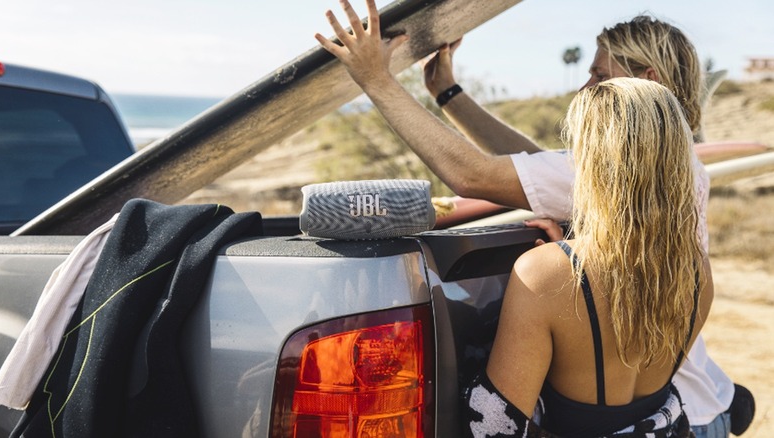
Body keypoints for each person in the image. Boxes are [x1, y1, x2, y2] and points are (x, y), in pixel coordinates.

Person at [315, 1, 742, 435]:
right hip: (685, 413)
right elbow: (543, 169)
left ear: (646, 79)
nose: (586, 88)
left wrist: (375, 79)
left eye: (600, 78)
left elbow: (474, 174)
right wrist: (449, 94)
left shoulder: (550, 273)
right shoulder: (688, 226)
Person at [466, 76, 712, 437]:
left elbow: (495, 429)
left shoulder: (545, 274)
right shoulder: (695, 270)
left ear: (594, 162)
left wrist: (561, 260)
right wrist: (571, 248)